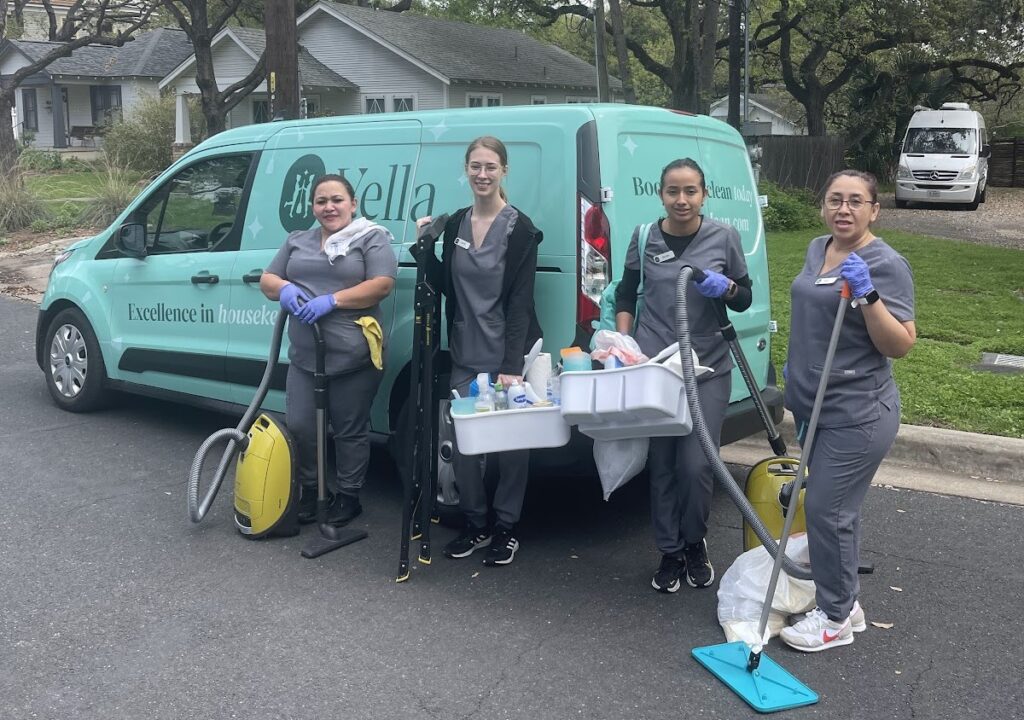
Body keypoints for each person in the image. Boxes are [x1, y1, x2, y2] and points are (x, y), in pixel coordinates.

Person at [779, 170, 916, 652]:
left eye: (856, 201)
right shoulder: (818, 248)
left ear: (874, 210)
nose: (844, 209)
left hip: (858, 412)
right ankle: (847, 603)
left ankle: (834, 617)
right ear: (823, 207)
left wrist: (868, 295)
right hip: (811, 405)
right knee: (839, 513)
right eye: (835, 199)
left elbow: (899, 344)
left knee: (825, 509)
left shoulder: (885, 263)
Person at [615, 158, 753, 593]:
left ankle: (696, 541)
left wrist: (727, 288)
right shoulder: (644, 237)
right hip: (657, 369)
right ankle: (670, 551)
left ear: (703, 195)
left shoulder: (723, 237)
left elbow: (744, 297)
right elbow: (625, 292)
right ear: (661, 194)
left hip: (707, 366)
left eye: (690, 191)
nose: (681, 200)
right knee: (662, 466)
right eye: (673, 191)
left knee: (696, 465)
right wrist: (623, 344)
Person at [415, 136, 543, 566]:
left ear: (504, 171)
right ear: (466, 170)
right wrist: (423, 247)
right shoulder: (455, 225)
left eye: (490, 166)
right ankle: (477, 524)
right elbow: (442, 284)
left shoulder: (520, 229)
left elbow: (521, 302)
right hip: (465, 351)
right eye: (475, 166)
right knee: (466, 444)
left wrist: (511, 367)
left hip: (508, 354)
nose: (482, 174)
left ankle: (507, 528)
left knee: (511, 447)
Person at [260, 174, 397, 528]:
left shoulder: (371, 238)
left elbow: (381, 285)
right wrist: (286, 289)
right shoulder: (298, 241)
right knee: (303, 425)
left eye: (337, 199)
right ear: (313, 208)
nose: (329, 207)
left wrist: (333, 300)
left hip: (353, 357)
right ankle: (311, 489)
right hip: (305, 358)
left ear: (353, 203)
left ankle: (349, 497)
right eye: (321, 201)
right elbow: (267, 279)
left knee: (349, 430)